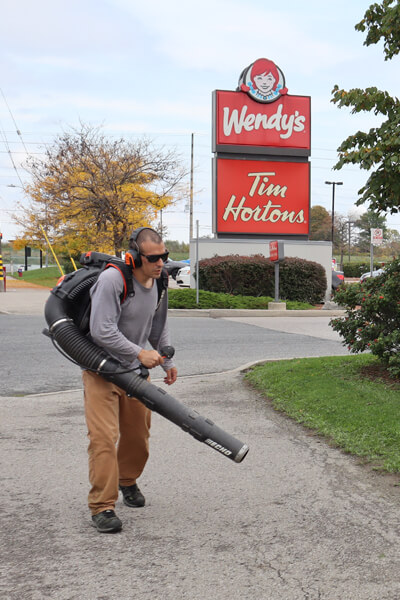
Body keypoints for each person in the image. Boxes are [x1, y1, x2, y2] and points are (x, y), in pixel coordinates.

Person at [82, 227, 177, 533]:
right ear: (134, 257)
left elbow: (158, 324)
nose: (161, 262)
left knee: (138, 436)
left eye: (163, 256)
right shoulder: (113, 279)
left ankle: (127, 481)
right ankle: (102, 507)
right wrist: (139, 353)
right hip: (102, 371)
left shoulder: (160, 281)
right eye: (153, 258)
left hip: (135, 375)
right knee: (104, 439)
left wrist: (167, 359)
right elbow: (102, 330)